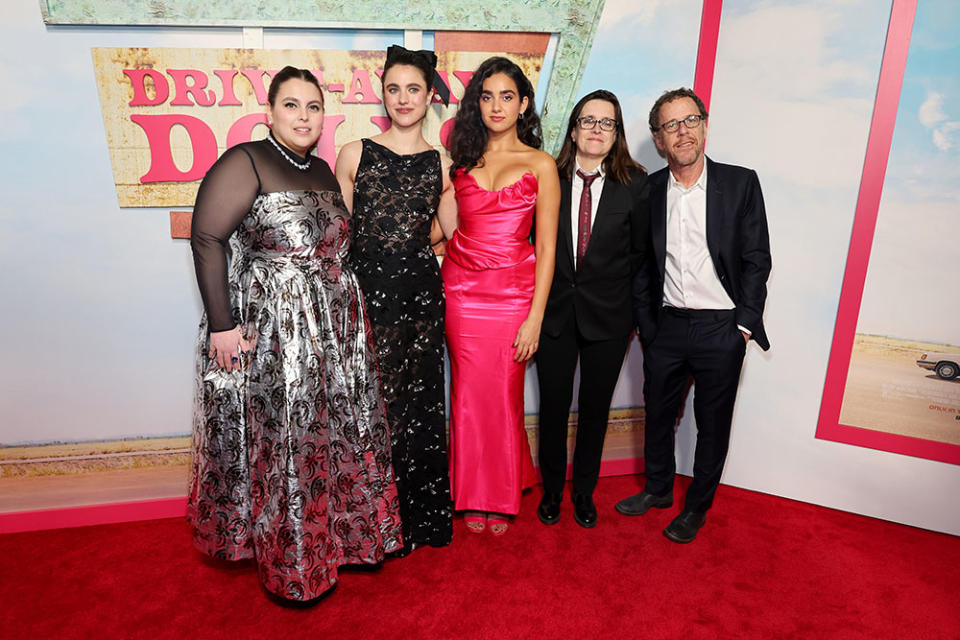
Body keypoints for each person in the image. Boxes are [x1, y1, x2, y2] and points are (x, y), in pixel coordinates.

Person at [186, 66, 403, 601]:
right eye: (291, 105)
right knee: (285, 436)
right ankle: (293, 563)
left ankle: (344, 540)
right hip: (277, 330)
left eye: (313, 107)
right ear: (270, 112)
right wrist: (222, 325)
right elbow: (207, 237)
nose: (303, 116)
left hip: (333, 329)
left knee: (331, 432)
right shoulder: (246, 161)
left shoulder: (325, 170)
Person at [615, 88, 771, 543]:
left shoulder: (741, 183)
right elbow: (642, 264)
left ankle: (696, 508)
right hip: (667, 327)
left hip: (722, 327)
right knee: (659, 415)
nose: (682, 131)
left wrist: (743, 325)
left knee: (712, 423)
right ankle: (659, 490)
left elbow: (757, 259)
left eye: (690, 120)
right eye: (670, 125)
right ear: (658, 139)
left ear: (704, 125)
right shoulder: (648, 190)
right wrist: (647, 326)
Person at [335, 45, 456, 556]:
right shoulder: (354, 152)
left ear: (430, 95)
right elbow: (336, 237)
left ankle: (419, 522)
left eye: (413, 89)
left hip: (421, 300)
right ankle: (369, 526)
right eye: (393, 89)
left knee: (418, 406)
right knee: (371, 405)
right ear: (381, 94)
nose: (403, 99)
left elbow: (452, 238)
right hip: (365, 295)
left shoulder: (443, 162)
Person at [443, 56, 560, 535]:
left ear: (523, 104)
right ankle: (473, 493)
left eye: (506, 96)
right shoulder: (462, 163)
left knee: (504, 396)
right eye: (486, 96)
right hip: (462, 294)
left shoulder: (541, 163)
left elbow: (548, 246)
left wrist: (535, 317)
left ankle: (502, 491)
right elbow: (448, 225)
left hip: (514, 296)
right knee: (469, 395)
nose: (496, 105)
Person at [536, 90, 649, 529]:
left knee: (595, 409)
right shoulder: (549, 176)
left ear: (617, 132)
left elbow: (642, 257)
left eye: (607, 122)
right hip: (554, 315)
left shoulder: (636, 184)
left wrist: (633, 318)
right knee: (553, 407)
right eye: (589, 121)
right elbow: (536, 246)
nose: (597, 129)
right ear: (574, 128)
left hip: (610, 319)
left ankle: (584, 492)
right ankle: (551, 492)